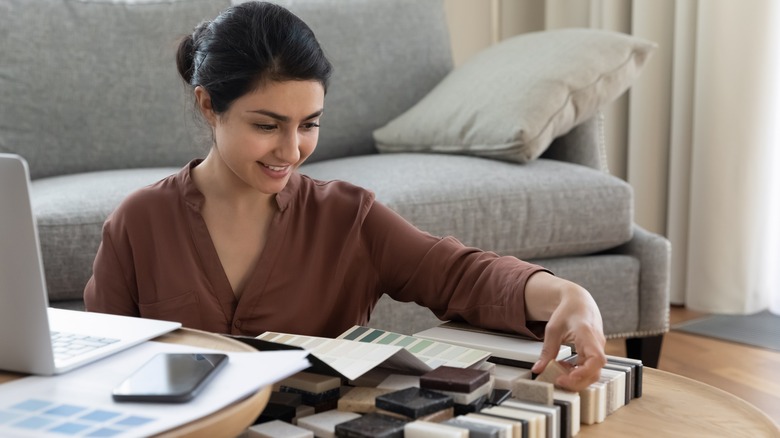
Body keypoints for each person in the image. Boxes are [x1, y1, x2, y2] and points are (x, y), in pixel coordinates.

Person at [83, 1, 606, 391]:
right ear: (208, 106)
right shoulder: (141, 221)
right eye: (266, 125)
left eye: (309, 124)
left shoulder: (348, 218)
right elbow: (96, 368)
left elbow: (459, 275)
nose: (291, 150)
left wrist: (568, 296)